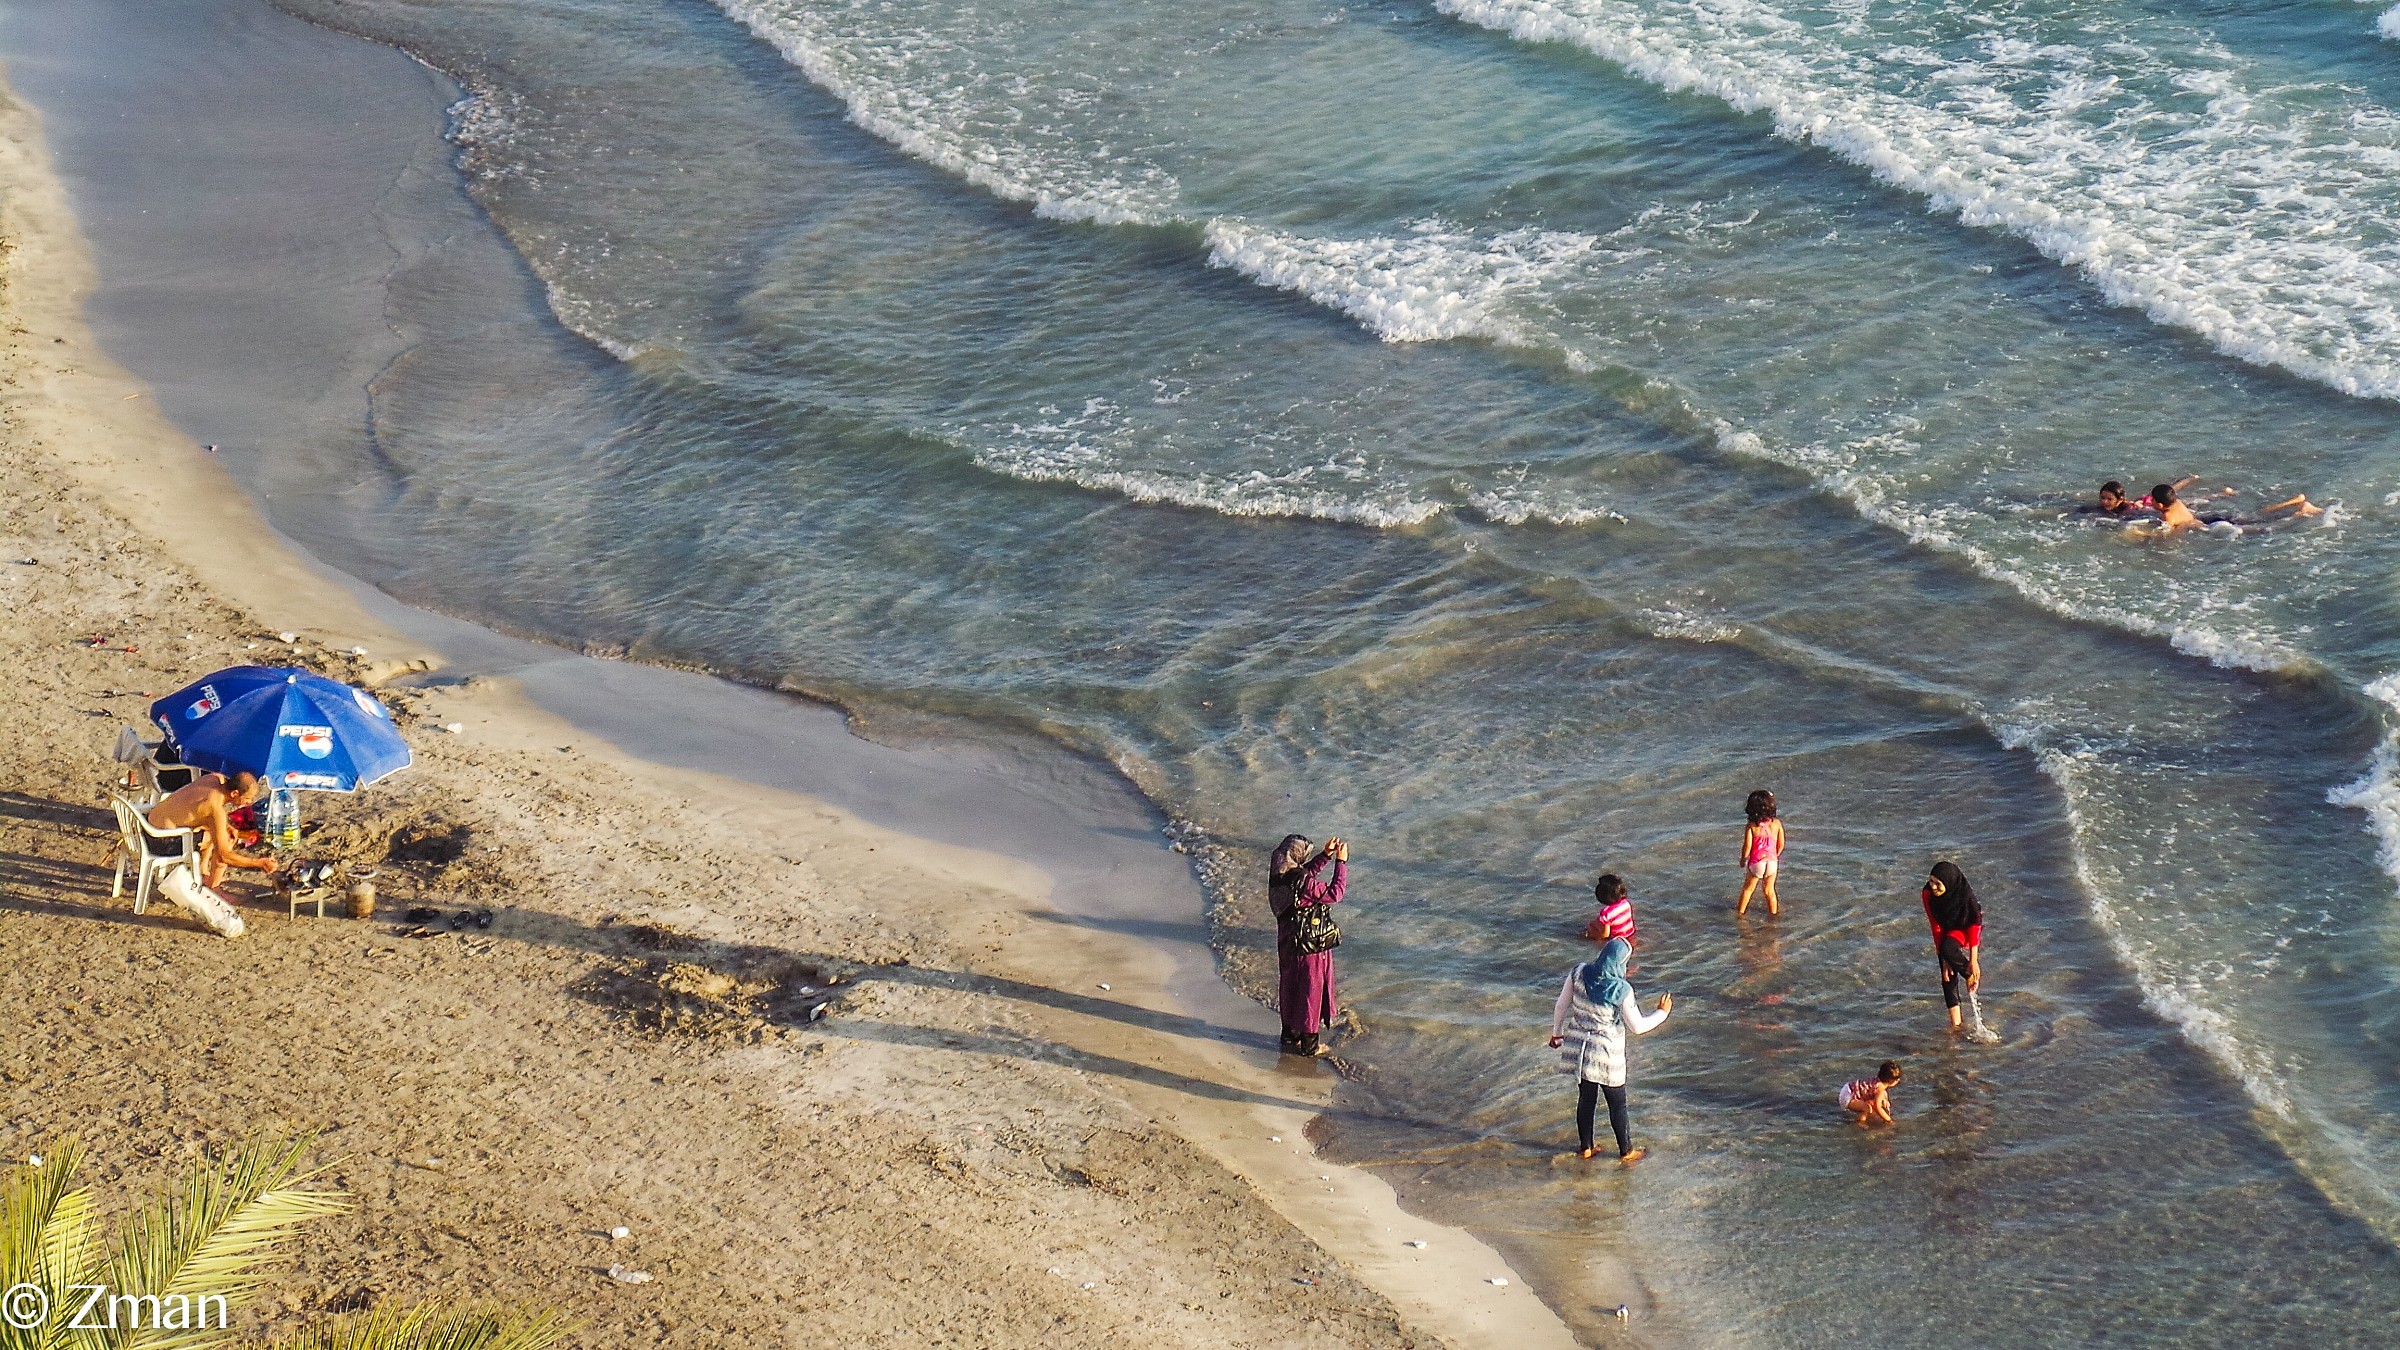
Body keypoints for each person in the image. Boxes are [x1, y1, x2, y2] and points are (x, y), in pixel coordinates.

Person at [1548, 937, 1672, 1164]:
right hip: (1607, 1053)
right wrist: (1661, 1013)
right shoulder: (1621, 989)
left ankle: (1586, 1148)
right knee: (1617, 1103)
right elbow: (1637, 1027)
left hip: (1581, 1050)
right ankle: (1626, 1152)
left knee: (1586, 1099)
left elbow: (1561, 1005)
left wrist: (1557, 1033)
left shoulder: (1578, 972)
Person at [1269, 833, 1347, 1057]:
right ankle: (1310, 1045)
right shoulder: (1301, 883)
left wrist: (1325, 856)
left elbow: (1303, 874)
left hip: (1288, 943)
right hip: (1308, 945)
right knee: (1311, 990)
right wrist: (1341, 863)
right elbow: (1335, 894)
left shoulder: (1280, 876)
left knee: (1291, 987)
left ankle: (1290, 1034)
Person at [147, 770, 278, 892]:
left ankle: (203, 871)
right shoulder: (215, 809)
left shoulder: (214, 778)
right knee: (227, 840)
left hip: (147, 825)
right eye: (248, 798)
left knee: (214, 831)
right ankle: (213, 886)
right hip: (161, 843)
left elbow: (199, 813)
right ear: (234, 794)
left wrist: (226, 826)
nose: (250, 802)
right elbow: (225, 856)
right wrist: (259, 863)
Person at [1920, 861, 1983, 1032]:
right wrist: (1945, 959)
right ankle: (1956, 1024)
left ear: (1948, 883)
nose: (1933, 887)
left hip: (1965, 928)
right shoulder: (1927, 893)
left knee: (1948, 948)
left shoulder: (1966, 897)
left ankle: (1970, 975)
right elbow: (1935, 925)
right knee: (1946, 974)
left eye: (1938, 884)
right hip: (1946, 928)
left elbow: (1974, 926)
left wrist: (1973, 961)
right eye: (1931, 881)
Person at [1736, 789, 1784, 917]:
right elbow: (1781, 844)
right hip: (1772, 862)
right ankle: (1773, 915)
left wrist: (1743, 859)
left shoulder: (1751, 826)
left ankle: (1740, 914)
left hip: (1757, 862)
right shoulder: (1777, 824)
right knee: (1770, 891)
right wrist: (1775, 856)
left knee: (1748, 889)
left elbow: (1747, 846)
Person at [1839, 1061, 1903, 1126]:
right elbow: (1878, 1107)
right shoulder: (1880, 1088)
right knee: (1867, 1108)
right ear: (1891, 1081)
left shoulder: (1877, 1081)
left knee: (1872, 1102)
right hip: (1847, 1097)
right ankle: (1860, 1123)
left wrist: (1885, 1099)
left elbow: (1882, 1093)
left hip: (1847, 1088)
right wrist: (1889, 1120)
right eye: (1897, 1080)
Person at [1583, 873, 1637, 946]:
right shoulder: (1626, 903)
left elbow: (1605, 934)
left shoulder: (1606, 913)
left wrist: (1593, 936)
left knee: (1591, 925)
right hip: (1630, 934)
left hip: (1616, 940)